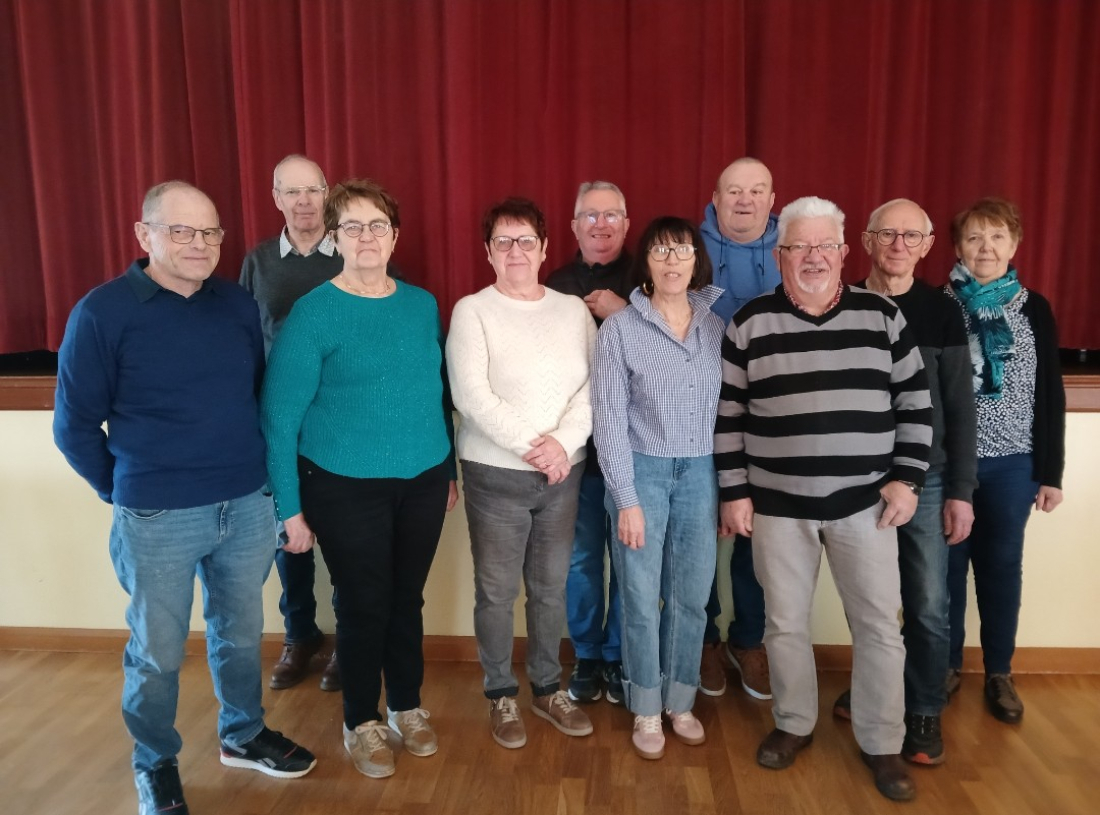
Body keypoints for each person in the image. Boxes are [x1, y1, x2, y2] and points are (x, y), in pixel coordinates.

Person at [53, 181, 316, 815]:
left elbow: (253, 395)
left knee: (239, 632)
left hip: (245, 505)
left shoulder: (235, 305)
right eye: (182, 231)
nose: (200, 245)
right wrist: (122, 489)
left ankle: (242, 734)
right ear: (144, 236)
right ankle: (156, 762)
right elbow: (74, 426)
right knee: (158, 650)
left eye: (211, 233)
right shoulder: (101, 313)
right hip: (158, 515)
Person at [715, 196, 932, 802]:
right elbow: (728, 417)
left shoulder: (883, 316)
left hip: (867, 505)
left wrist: (906, 479)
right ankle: (793, 724)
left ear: (843, 251)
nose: (812, 257)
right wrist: (734, 492)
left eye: (823, 246)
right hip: (777, 506)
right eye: (798, 247)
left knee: (879, 629)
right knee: (784, 625)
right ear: (779, 254)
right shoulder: (749, 322)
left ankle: (882, 742)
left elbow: (916, 404)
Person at [261, 178, 457, 780]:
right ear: (334, 236)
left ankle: (406, 705)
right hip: (342, 484)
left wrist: (445, 470)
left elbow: (435, 395)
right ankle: (361, 719)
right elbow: (279, 416)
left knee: (407, 599)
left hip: (423, 480)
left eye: (378, 225)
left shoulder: (422, 304)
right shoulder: (314, 312)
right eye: (353, 226)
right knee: (363, 603)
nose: (366, 237)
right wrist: (288, 509)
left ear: (394, 236)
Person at [831, 199, 978, 767]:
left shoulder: (943, 312)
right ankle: (877, 694)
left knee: (926, 603)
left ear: (927, 245)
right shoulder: (842, 303)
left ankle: (921, 709)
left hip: (928, 477)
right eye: (887, 234)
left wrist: (961, 490)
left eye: (909, 236)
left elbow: (960, 409)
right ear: (866, 240)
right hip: (857, 476)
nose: (897, 244)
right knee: (868, 603)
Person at [446, 197, 596, 750]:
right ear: (488, 252)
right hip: (495, 475)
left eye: (525, 241)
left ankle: (548, 687)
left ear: (545, 249)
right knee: (495, 590)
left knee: (550, 588)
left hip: (564, 475)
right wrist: (538, 448)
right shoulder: (472, 310)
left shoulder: (573, 311)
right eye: (503, 242)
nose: (515, 251)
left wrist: (563, 445)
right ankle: (500, 693)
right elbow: (470, 395)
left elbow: (592, 389)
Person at [592, 216, 725, 760]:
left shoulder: (716, 327)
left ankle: (679, 700)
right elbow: (608, 419)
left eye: (683, 250)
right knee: (641, 598)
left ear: (697, 260)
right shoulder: (620, 329)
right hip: (641, 471)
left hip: (700, 472)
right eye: (662, 251)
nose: (673, 261)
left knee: (692, 599)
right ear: (645, 262)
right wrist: (626, 498)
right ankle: (645, 703)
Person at [944, 197, 1065, 724]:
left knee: (999, 569)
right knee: (943, 573)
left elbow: (1051, 393)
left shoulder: (1034, 307)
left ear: (1014, 246)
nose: (985, 248)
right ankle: (943, 667)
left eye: (996, 237)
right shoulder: (938, 304)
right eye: (974, 238)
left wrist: (1051, 473)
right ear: (957, 248)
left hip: (1014, 464)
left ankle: (999, 672)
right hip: (948, 465)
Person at [239, 154, 342, 693]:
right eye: (291, 192)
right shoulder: (258, 262)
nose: (303, 202)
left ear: (327, 194)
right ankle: (300, 635)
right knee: (289, 536)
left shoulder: (352, 250)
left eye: (312, 190)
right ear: (276, 198)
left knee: (346, 536)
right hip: (280, 421)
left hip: (341, 421)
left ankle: (348, 641)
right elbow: (244, 339)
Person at [545, 180, 632, 705]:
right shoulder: (554, 283)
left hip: (633, 450)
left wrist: (625, 314)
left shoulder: (646, 280)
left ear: (625, 222)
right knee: (579, 562)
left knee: (627, 561)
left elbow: (675, 348)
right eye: (589, 216)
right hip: (576, 453)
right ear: (574, 226)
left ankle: (621, 655)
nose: (600, 225)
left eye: (611, 215)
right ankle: (587, 655)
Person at [697, 157, 779, 699]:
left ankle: (748, 641)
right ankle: (703, 639)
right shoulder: (690, 250)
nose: (744, 200)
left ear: (773, 200)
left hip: (771, 423)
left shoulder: (793, 251)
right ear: (716, 197)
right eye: (734, 191)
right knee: (698, 537)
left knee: (759, 539)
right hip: (697, 420)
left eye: (757, 191)